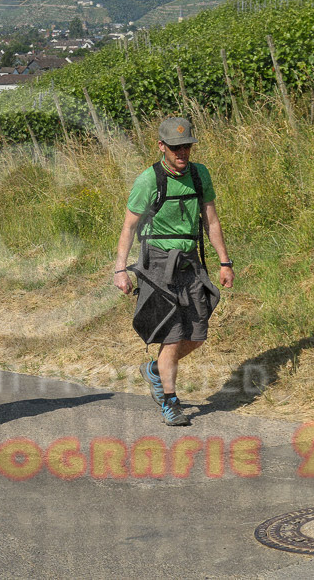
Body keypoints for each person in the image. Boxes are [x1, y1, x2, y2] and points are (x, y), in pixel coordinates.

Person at [113, 117, 234, 426]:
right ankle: (170, 401)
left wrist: (224, 261)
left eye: (187, 147)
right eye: (176, 148)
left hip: (190, 261)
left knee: (197, 334)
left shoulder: (199, 174)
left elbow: (211, 221)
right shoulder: (148, 181)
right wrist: (120, 270)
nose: (182, 153)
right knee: (172, 333)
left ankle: (154, 370)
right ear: (161, 146)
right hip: (156, 264)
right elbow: (128, 228)